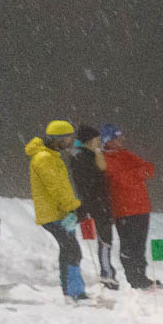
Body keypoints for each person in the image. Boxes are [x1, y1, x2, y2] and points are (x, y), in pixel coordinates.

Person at [25, 119, 88, 301]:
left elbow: (62, 188)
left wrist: (72, 207)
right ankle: (73, 291)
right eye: (68, 138)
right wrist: (74, 207)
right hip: (53, 214)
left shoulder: (51, 157)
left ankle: (73, 290)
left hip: (59, 212)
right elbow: (56, 188)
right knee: (72, 250)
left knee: (69, 249)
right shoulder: (44, 159)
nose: (71, 142)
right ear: (57, 139)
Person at [101, 126, 156, 289]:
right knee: (128, 245)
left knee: (140, 244)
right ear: (108, 141)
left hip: (142, 208)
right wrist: (136, 175)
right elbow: (119, 180)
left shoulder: (127, 155)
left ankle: (141, 275)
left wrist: (135, 174)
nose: (121, 141)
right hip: (123, 211)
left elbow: (149, 168)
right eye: (117, 138)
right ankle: (133, 278)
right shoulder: (104, 159)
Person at [70, 123, 119, 290]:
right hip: (97, 205)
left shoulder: (87, 155)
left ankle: (108, 273)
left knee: (106, 240)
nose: (99, 143)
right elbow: (89, 184)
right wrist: (88, 206)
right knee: (105, 241)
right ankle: (107, 275)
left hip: (100, 203)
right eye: (96, 141)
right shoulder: (83, 158)